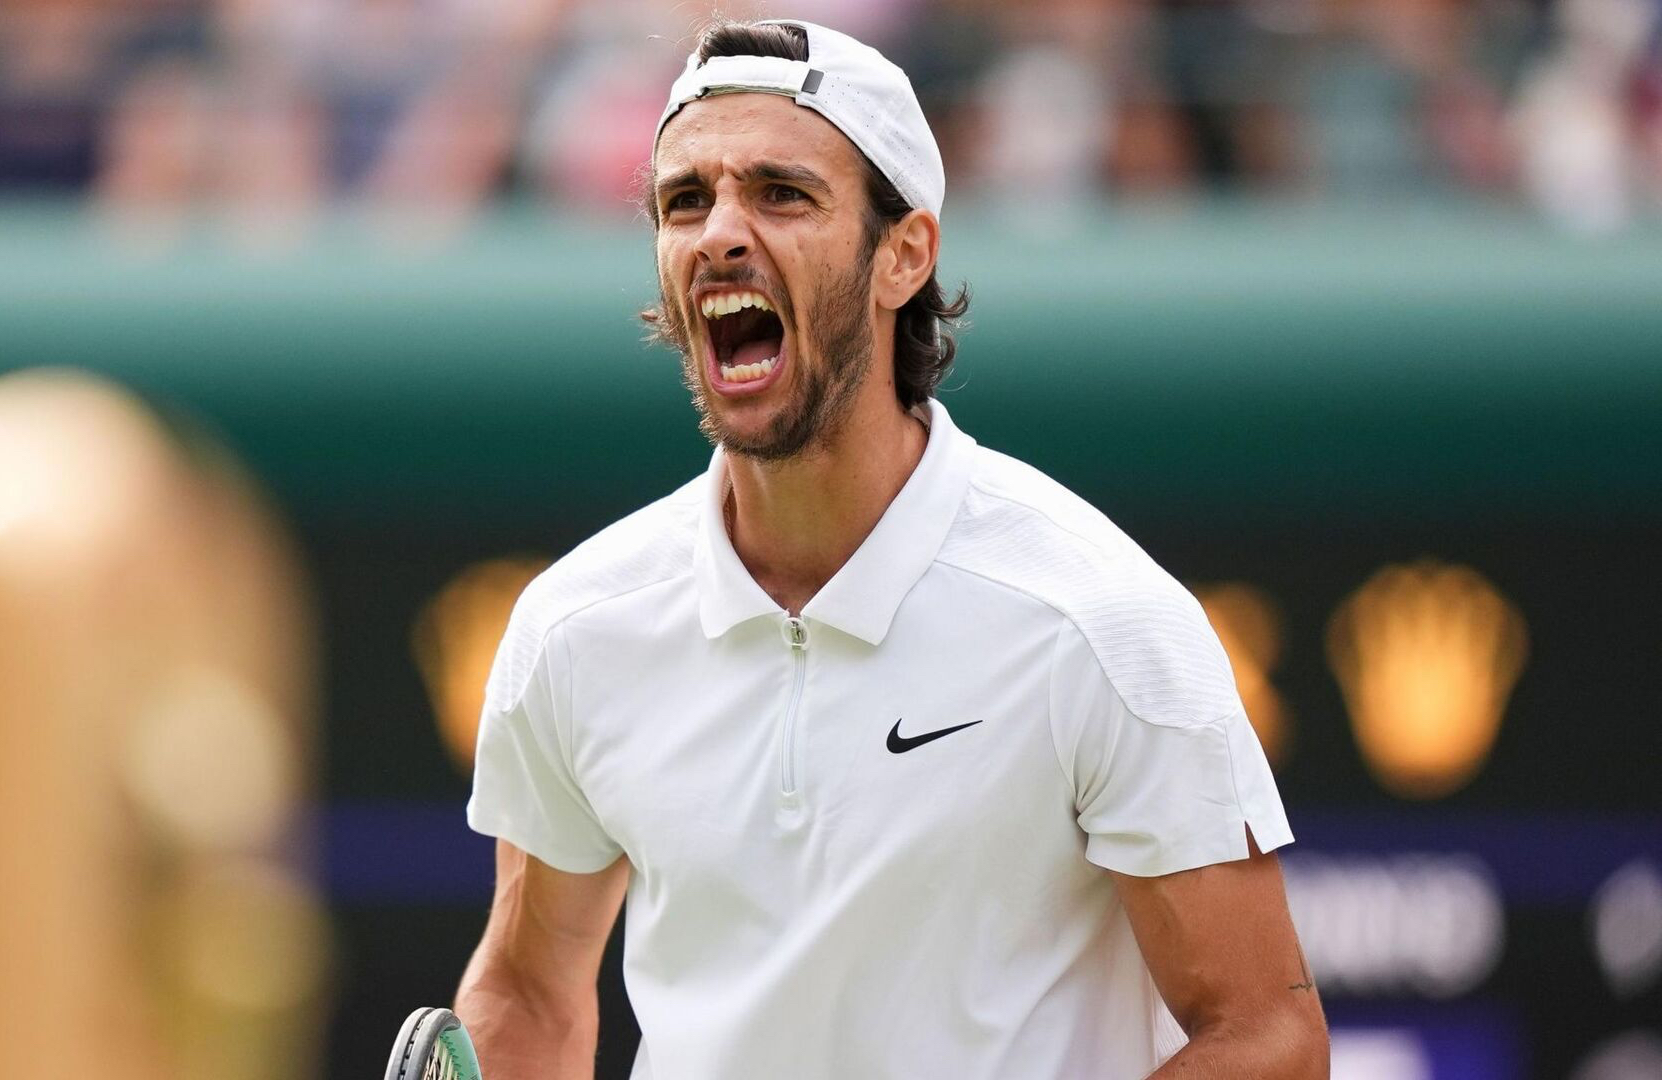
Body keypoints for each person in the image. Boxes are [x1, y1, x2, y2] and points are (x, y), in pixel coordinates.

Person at [456, 17, 1328, 1079]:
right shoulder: (575, 627)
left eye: (781, 193)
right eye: (686, 200)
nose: (720, 233)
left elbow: (1266, 1036)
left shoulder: (1100, 623)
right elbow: (528, 992)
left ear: (904, 255)